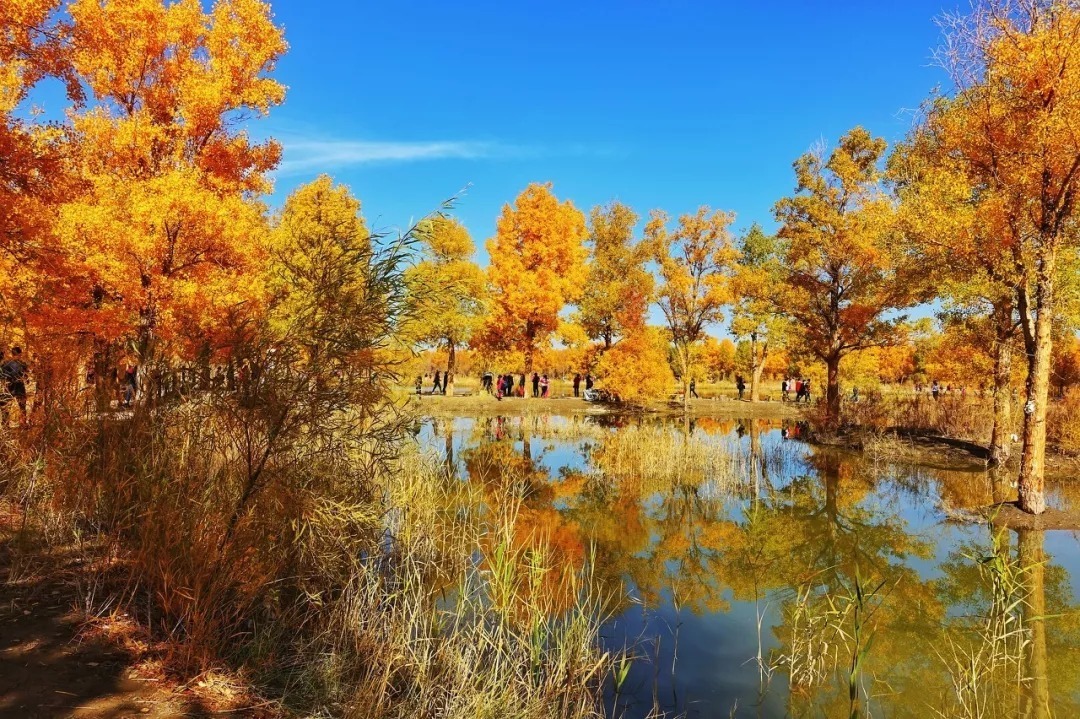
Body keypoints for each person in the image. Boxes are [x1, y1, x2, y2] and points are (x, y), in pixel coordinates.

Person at [2, 347, 29, 426]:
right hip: (18, 385)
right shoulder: (22, 363)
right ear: (20, 354)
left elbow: (2, 375)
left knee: (7, 405)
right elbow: (25, 375)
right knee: (22, 406)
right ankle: (22, 423)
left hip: (10, 385)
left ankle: (5, 424)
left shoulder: (6, 363)